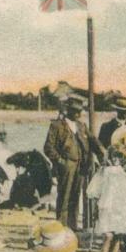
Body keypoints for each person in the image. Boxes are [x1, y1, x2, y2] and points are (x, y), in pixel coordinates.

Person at [44, 97, 102, 228]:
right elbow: (48, 147)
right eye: (75, 111)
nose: (78, 114)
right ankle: (61, 227)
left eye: (80, 111)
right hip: (66, 165)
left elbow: (94, 142)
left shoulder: (81, 126)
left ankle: (72, 227)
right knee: (64, 196)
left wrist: (104, 153)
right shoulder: (56, 125)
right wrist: (60, 161)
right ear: (68, 110)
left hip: (80, 166)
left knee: (75, 197)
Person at [86, 148, 126, 252]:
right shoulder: (104, 171)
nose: (116, 159)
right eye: (114, 156)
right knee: (108, 235)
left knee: (118, 236)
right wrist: (96, 204)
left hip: (122, 207)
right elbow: (94, 188)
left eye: (119, 157)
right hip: (108, 205)